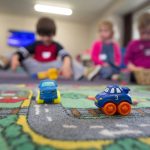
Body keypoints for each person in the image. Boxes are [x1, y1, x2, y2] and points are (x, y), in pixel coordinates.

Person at [11, 17, 84, 80]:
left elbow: (65, 55)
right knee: (13, 54)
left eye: (48, 35)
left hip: (52, 68)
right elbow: (21, 52)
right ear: (39, 34)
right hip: (36, 67)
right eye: (43, 35)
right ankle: (3, 62)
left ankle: (81, 75)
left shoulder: (56, 45)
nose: (46, 39)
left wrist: (66, 65)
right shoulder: (36, 44)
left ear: (54, 34)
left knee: (70, 60)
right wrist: (15, 58)